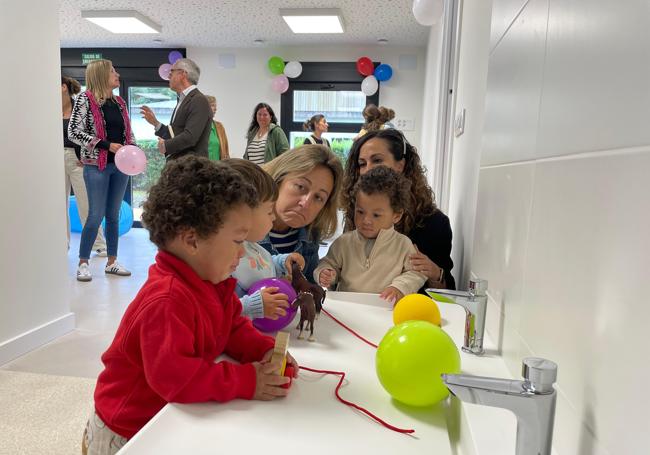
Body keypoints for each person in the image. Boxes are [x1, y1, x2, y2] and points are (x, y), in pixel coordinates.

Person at [82, 156, 299, 455]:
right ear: (192, 241)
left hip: (168, 417)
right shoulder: (166, 301)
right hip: (129, 431)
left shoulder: (213, 281)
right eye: (238, 241)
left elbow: (233, 327)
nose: (242, 253)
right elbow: (178, 380)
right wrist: (247, 380)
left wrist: (262, 349)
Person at [342, 128, 456, 290]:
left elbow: (448, 292)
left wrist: (435, 273)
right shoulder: (356, 213)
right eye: (362, 164)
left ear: (400, 165)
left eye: (377, 160)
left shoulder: (434, 223)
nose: (368, 169)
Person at [315, 167, 427, 302]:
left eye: (376, 215)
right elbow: (327, 263)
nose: (366, 220)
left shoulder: (403, 244)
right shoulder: (344, 242)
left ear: (396, 215)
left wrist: (400, 287)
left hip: (384, 308)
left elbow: (415, 273)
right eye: (360, 212)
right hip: (346, 306)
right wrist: (325, 272)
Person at [68, 59, 134, 282]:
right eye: (113, 71)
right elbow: (74, 132)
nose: (117, 74)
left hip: (120, 166)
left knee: (113, 216)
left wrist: (132, 147)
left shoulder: (120, 102)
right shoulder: (85, 100)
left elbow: (128, 132)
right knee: (95, 215)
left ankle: (112, 262)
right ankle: (83, 263)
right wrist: (105, 145)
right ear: (101, 75)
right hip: (96, 166)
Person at [227, 159, 305, 320]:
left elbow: (261, 263)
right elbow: (215, 310)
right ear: (245, 213)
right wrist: (249, 306)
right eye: (269, 211)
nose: (274, 217)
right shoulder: (222, 261)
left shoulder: (249, 246)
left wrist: (283, 262)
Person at [259, 145, 343, 284]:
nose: (306, 203)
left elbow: (308, 288)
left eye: (318, 197)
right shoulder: (243, 226)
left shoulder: (311, 233)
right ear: (279, 179)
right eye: (300, 186)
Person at [61, 75, 107, 256]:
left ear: (63, 87)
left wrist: (85, 155)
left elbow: (89, 133)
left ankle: (99, 244)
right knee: (58, 204)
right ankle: (61, 243)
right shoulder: (46, 109)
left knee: (86, 203)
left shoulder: (78, 108)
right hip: (54, 159)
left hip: (77, 159)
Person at [140, 58, 213, 160]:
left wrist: (165, 145)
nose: (169, 75)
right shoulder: (184, 99)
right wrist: (156, 123)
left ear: (183, 74)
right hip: (182, 166)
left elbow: (190, 137)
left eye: (172, 71)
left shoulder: (199, 100)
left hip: (192, 167)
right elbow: (175, 133)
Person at [204, 95, 230, 161]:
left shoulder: (219, 126)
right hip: (202, 168)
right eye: (212, 105)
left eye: (215, 106)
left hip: (218, 168)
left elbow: (226, 151)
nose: (215, 109)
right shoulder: (197, 127)